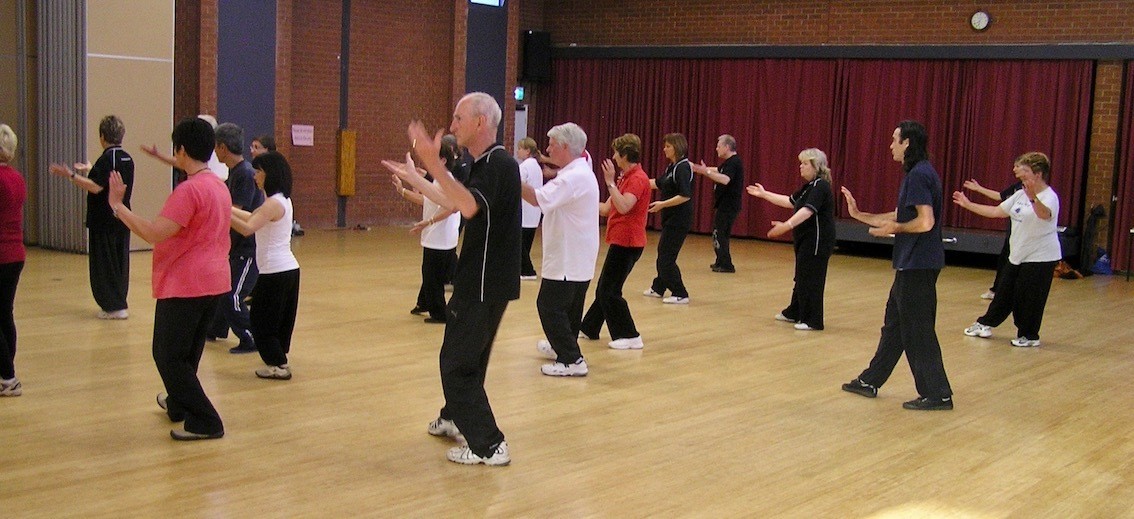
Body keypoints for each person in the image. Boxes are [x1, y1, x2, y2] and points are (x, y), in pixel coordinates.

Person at [382, 92, 520, 466]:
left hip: (482, 282)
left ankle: (489, 445)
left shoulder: (499, 164)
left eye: (459, 118)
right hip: (486, 280)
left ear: (480, 122)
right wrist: (417, 176)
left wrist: (432, 163)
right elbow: (454, 201)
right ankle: (457, 419)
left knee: (456, 364)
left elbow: (469, 205)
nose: (453, 125)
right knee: (468, 361)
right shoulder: (486, 163)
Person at [109, 117, 231, 440]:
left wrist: (118, 206)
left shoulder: (189, 191)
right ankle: (179, 404)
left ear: (181, 150)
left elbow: (152, 232)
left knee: (167, 355)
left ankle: (207, 420)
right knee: (187, 352)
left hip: (187, 283)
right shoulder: (218, 185)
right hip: (215, 280)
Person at [839, 120, 953, 411]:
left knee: (918, 330)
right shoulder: (918, 173)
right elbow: (900, 214)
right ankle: (870, 380)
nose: (890, 145)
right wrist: (860, 214)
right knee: (895, 327)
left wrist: (894, 229)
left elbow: (924, 222)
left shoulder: (918, 174)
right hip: (912, 263)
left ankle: (937, 394)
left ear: (907, 143)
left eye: (894, 140)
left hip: (919, 263)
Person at [954, 152, 1060, 347]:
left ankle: (1029, 336)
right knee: (1004, 292)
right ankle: (985, 323)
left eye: (1026, 171)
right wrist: (968, 205)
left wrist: (1033, 198)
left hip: (1040, 257)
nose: (1020, 175)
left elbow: (1045, 215)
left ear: (1038, 174)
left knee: (1028, 298)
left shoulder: (1049, 197)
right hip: (1018, 254)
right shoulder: (1019, 194)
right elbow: (996, 211)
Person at [521, 123, 600, 377]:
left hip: (569, 255)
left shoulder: (572, 177)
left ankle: (571, 359)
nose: (547, 149)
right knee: (570, 307)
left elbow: (538, 199)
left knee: (549, 305)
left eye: (552, 145)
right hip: (578, 253)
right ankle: (564, 347)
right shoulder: (579, 171)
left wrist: (510, 176)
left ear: (565, 147)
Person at [48, 115, 135, 319]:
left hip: (104, 220)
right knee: (120, 263)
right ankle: (119, 302)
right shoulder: (127, 158)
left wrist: (70, 175)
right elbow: (108, 178)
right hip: (122, 218)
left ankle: (112, 306)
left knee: (104, 264)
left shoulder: (107, 158)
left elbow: (96, 186)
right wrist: (90, 169)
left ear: (102, 136)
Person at [746, 148, 836, 331]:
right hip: (805, 238)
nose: (800, 167)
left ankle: (813, 320)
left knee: (811, 278)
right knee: (801, 275)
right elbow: (790, 202)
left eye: (804, 163)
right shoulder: (809, 186)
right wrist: (764, 194)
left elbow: (807, 211)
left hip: (818, 240)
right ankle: (795, 311)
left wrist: (785, 226)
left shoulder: (821, 186)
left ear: (815, 166)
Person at [230, 151, 301, 379]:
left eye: (259, 171)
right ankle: (278, 361)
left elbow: (247, 227)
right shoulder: (280, 200)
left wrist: (220, 212)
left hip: (276, 272)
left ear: (269, 174)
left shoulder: (273, 203)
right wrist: (224, 205)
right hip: (285, 270)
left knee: (261, 322)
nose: (255, 176)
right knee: (275, 321)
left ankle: (278, 364)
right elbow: (250, 215)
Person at [579, 133, 651, 350]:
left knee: (609, 291)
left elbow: (624, 206)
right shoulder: (625, 178)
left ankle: (629, 335)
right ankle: (589, 328)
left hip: (629, 242)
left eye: (616, 154)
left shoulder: (637, 179)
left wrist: (609, 182)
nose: (613, 157)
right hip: (621, 240)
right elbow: (605, 208)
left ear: (625, 155)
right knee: (604, 288)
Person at [209, 123, 264, 354]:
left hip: (248, 249)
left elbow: (235, 211)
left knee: (233, 295)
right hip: (236, 248)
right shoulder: (235, 173)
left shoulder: (245, 174)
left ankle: (251, 336)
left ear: (222, 147)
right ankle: (216, 328)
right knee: (221, 289)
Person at [394, 135, 460, 324]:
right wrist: (402, 191)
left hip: (440, 239)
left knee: (432, 278)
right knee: (431, 276)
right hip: (438, 238)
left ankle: (440, 314)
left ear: (443, 160)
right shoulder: (439, 180)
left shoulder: (445, 181)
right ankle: (424, 304)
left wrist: (429, 222)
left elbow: (452, 207)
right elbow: (426, 201)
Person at [643, 133, 694, 304]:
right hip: (671, 219)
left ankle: (680, 293)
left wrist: (663, 204)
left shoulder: (683, 168)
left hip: (679, 219)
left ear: (677, 147)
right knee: (664, 254)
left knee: (666, 257)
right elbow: (657, 183)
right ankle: (659, 288)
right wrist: (633, 181)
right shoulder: (672, 167)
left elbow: (685, 195)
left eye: (668, 146)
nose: (664, 149)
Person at [962, 177, 1022, 300]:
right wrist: (978, 189)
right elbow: (1000, 197)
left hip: (1024, 237)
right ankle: (996, 290)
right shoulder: (1018, 187)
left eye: (1019, 166)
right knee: (1004, 261)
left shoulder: (1039, 193)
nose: (1015, 169)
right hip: (1012, 233)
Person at [692, 134, 744, 273]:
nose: (716, 149)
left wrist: (706, 171)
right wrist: (700, 169)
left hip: (729, 205)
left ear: (727, 147)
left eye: (719, 146)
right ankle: (721, 260)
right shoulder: (729, 162)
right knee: (720, 233)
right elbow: (718, 170)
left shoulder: (734, 162)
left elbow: (725, 179)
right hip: (724, 204)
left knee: (720, 233)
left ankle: (726, 264)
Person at [0, 124, 26, 397]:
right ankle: (7, 371)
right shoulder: (16, 177)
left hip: (2, 254)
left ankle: (8, 376)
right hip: (15, 254)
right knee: (5, 313)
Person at [517, 137, 543, 280]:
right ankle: (523, 269)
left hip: (525, 210)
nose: (517, 151)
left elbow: (518, 185)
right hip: (534, 211)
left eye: (520, 148)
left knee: (521, 244)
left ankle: (528, 270)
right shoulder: (536, 166)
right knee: (525, 243)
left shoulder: (525, 167)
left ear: (527, 151)